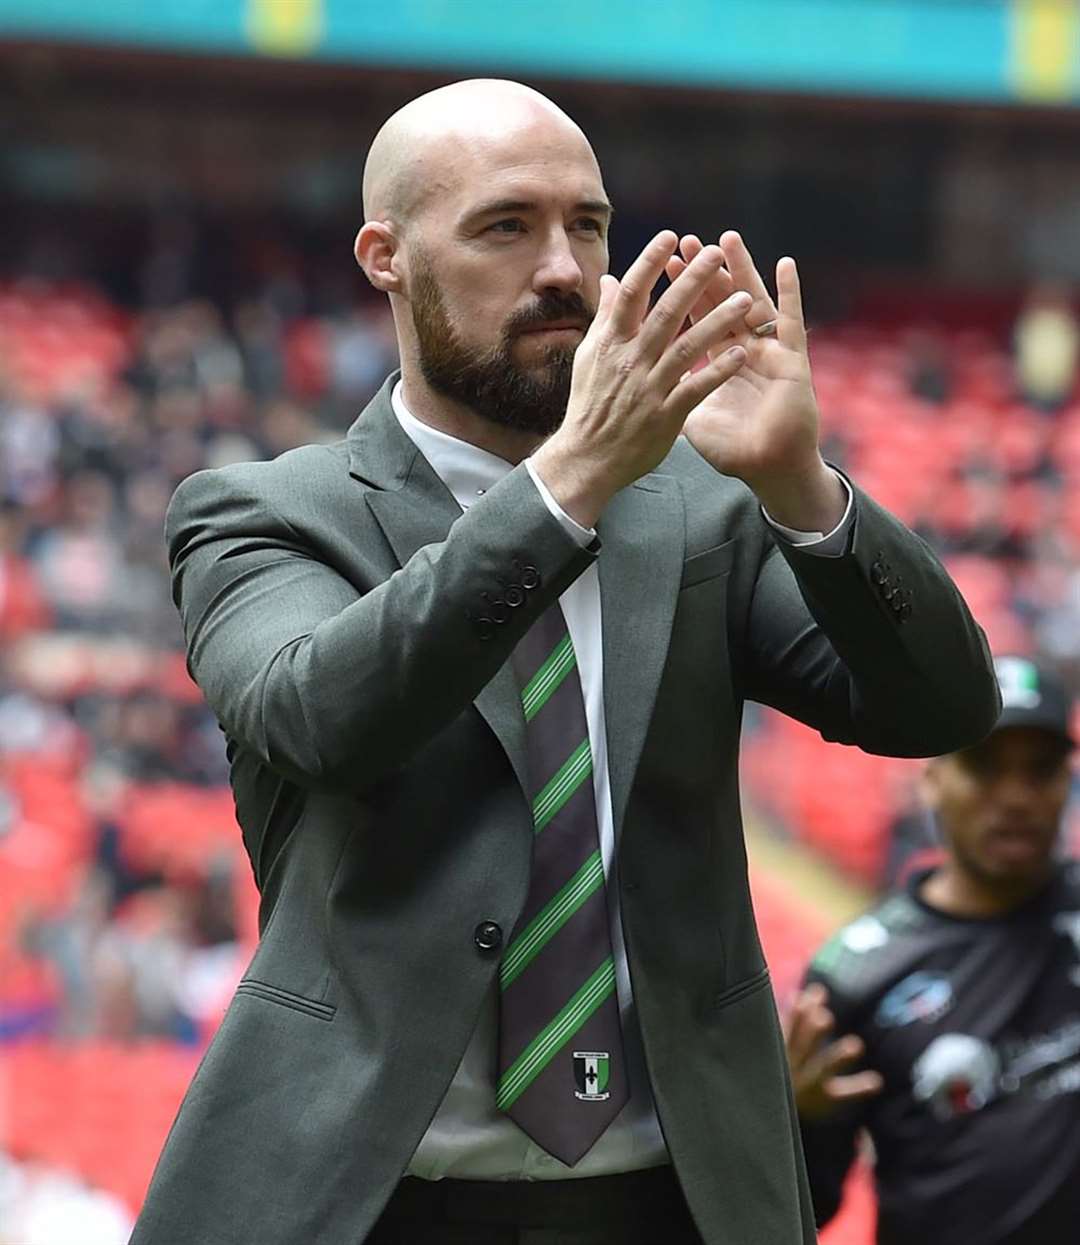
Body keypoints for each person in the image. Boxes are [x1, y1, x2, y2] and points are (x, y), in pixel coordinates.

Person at [131, 79, 998, 1245]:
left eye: (587, 225)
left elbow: (939, 707)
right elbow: (320, 718)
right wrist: (565, 488)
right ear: (386, 257)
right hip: (366, 1198)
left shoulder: (704, 512)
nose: (564, 269)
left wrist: (803, 486)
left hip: (670, 1197)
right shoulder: (262, 514)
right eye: (506, 226)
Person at [787, 655, 1079, 1245]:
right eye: (985, 766)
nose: (1016, 796)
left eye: (1040, 770)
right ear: (932, 779)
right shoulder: (856, 976)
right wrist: (795, 1125)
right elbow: (806, 1211)